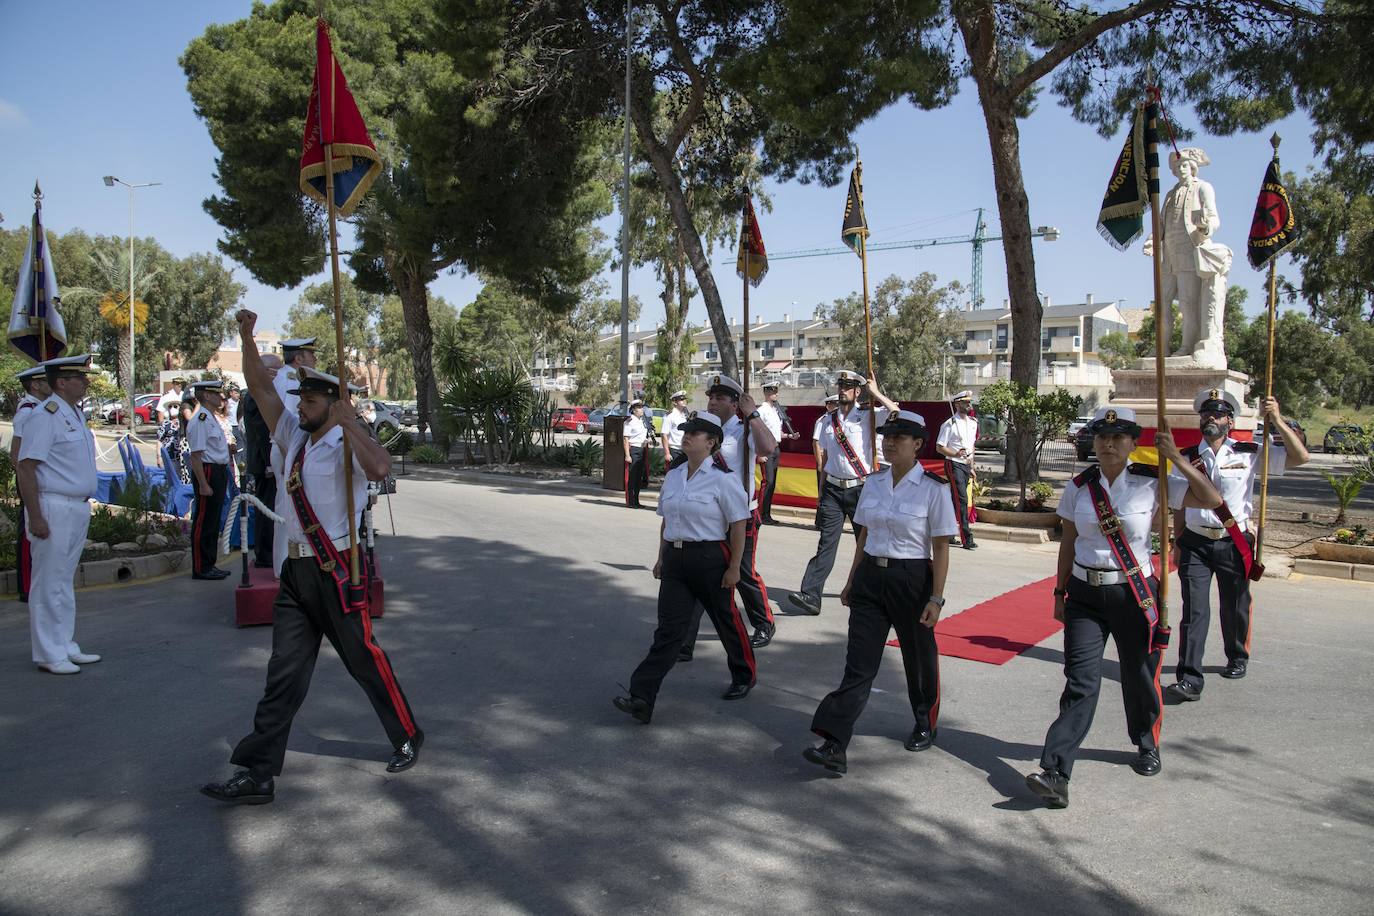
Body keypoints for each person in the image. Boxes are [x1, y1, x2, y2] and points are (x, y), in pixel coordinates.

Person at [202, 309, 422, 806]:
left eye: (311, 400)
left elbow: (381, 468)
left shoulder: (347, 442)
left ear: (333, 405)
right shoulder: (293, 435)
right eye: (301, 399)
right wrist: (246, 338)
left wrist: (352, 424)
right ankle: (258, 773)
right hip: (295, 573)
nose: (300, 406)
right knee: (282, 674)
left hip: (337, 570)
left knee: (364, 660)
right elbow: (260, 388)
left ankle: (407, 734)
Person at [1024, 407, 1221, 809]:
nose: (1108, 444)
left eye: (1118, 437)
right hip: (1085, 595)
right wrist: (1059, 592)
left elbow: (1212, 499)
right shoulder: (1079, 487)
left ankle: (1146, 742)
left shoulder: (1153, 482)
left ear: (1133, 443)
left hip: (1134, 594)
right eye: (1102, 437)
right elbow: (1068, 542)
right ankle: (1056, 773)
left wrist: (1177, 458)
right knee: (1080, 681)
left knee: (1139, 676)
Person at [803, 411, 957, 774]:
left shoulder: (934, 489)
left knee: (917, 659)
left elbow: (941, 548)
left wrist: (936, 599)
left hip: (912, 580)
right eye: (887, 437)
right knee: (859, 664)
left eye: (899, 438)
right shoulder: (872, 483)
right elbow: (864, 536)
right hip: (871, 578)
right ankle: (834, 742)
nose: (889, 443)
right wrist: (852, 579)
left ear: (918, 444)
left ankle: (924, 721)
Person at [613, 411, 756, 723]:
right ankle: (642, 697)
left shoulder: (724, 479)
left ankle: (744, 674)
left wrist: (734, 567)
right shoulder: (675, 475)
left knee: (726, 620)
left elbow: (738, 524)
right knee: (668, 630)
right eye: (686, 431)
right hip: (676, 561)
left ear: (712, 442)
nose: (687, 436)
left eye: (695, 433)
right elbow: (668, 519)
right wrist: (661, 557)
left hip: (710, 559)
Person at [1166, 388, 1308, 701]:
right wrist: (1177, 539)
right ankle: (1189, 678)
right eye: (1206, 413)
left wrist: (1277, 419)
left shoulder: (1249, 451)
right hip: (1195, 542)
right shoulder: (1185, 457)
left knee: (1235, 605)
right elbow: (1179, 503)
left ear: (1230, 421)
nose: (1211, 418)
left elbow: (1300, 457)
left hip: (1234, 540)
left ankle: (1237, 655)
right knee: (1194, 611)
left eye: (1218, 414)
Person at [678, 375, 778, 653]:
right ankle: (684, 641)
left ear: (735, 404)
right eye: (711, 397)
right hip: (709, 517)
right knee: (703, 574)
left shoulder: (744, 429)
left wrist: (752, 414)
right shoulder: (703, 431)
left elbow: (768, 448)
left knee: (743, 573)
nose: (712, 402)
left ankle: (763, 622)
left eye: (720, 398)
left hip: (740, 515)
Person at [15, 355, 102, 675]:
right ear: (62, 382)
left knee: (63, 581)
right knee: (48, 583)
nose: (86, 382)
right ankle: (48, 653)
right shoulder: (45, 415)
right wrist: (36, 516)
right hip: (53, 506)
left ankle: (64, 644)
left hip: (75, 506)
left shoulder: (73, 413)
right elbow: (26, 467)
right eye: (80, 378)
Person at [788, 371, 898, 616]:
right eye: (840, 385)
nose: (842, 390)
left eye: (848, 386)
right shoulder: (827, 421)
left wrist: (876, 393)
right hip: (832, 490)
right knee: (826, 544)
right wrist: (820, 492)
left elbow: (896, 413)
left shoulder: (868, 415)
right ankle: (810, 594)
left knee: (867, 545)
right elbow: (827, 457)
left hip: (861, 489)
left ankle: (871, 594)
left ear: (858, 391)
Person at [10, 365, 52, 603]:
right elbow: (16, 454)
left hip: (37, 479)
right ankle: (26, 587)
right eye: (45, 380)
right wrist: (27, 480)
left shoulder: (41, 409)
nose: (51, 383)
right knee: (28, 535)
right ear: (35, 385)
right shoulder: (27, 412)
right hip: (30, 479)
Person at [240, 354, 284, 569]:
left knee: (269, 506)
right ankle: (265, 554)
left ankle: (267, 552)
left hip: (265, 461)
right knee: (266, 508)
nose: (279, 374)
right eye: (276, 370)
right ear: (266, 371)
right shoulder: (256, 395)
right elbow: (262, 432)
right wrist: (269, 462)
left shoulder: (258, 392)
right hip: (264, 462)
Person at [187, 379, 233, 580]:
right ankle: (201, 567)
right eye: (216, 394)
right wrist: (203, 484)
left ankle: (210, 563)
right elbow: (196, 456)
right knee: (204, 521)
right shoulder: (201, 419)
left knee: (213, 521)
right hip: (207, 471)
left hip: (218, 470)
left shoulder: (211, 417)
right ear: (206, 395)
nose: (221, 397)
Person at [935, 390, 979, 549]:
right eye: (965, 402)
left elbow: (971, 447)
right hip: (953, 463)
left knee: (955, 500)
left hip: (966, 464)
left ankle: (948, 533)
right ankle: (967, 538)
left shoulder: (973, 423)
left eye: (969, 402)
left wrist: (971, 466)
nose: (969, 404)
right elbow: (939, 447)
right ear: (957, 404)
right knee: (962, 499)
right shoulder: (949, 424)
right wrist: (955, 453)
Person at [757, 380, 799, 525]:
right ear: (766, 392)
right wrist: (759, 453)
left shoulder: (776, 410)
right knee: (767, 482)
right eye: (773, 391)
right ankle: (760, 514)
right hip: (766, 449)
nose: (776, 394)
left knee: (772, 483)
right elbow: (756, 432)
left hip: (776, 448)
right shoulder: (761, 410)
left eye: (776, 391)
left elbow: (777, 432)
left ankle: (767, 514)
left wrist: (789, 436)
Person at [623, 399, 650, 509]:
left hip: (642, 449)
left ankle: (636, 500)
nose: (641, 409)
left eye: (642, 407)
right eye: (639, 408)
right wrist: (627, 455)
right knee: (632, 477)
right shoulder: (629, 421)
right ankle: (630, 501)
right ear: (633, 410)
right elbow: (626, 439)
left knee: (639, 477)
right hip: (634, 450)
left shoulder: (641, 421)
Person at [660, 390, 689, 466]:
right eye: (681, 399)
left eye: (685, 399)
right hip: (674, 450)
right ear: (675, 402)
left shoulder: (685, 415)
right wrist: (667, 453)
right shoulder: (669, 416)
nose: (684, 401)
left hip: (685, 449)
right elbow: (664, 435)